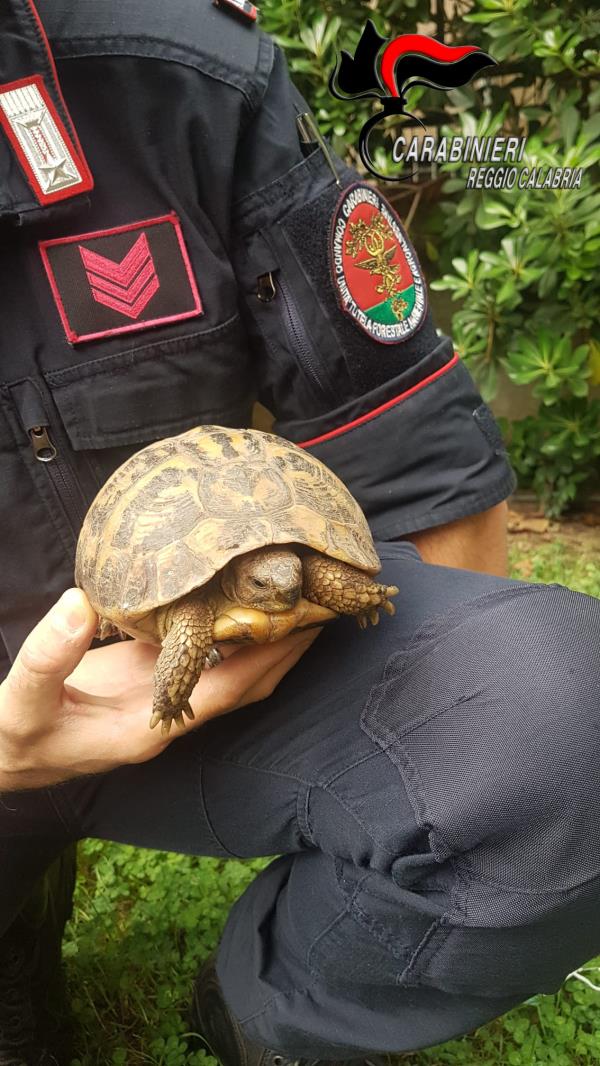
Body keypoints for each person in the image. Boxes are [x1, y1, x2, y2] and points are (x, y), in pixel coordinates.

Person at [0, 1, 598, 1064]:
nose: (281, 590)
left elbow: (415, 453)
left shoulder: (181, 68)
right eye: (277, 585)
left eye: (285, 583)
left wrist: (448, 765)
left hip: (172, 697)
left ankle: (261, 1013)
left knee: (552, 720)